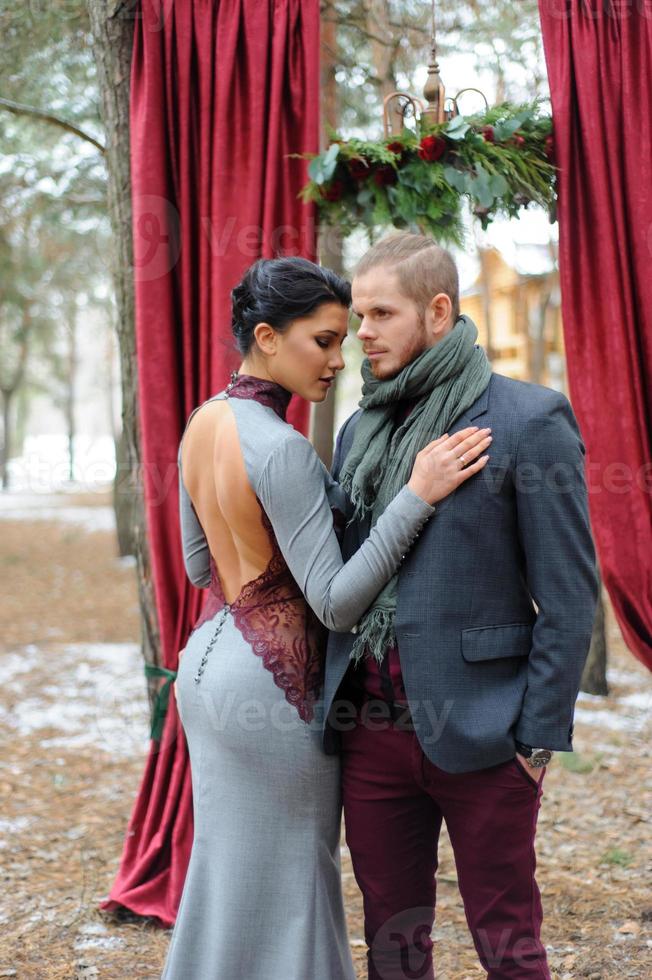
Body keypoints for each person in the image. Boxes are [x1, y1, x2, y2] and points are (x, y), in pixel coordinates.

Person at [161, 256, 492, 980]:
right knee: (295, 881)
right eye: (323, 341)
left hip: (204, 669)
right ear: (268, 338)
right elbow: (336, 601)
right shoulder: (281, 449)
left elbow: (195, 566)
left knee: (227, 872)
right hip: (274, 687)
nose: (340, 360)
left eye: (346, 340)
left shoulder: (201, 421)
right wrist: (417, 495)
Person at [323, 232, 599, 980]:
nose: (363, 332)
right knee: (393, 942)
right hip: (372, 731)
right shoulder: (358, 430)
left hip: (487, 733)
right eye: (358, 316)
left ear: (438, 311)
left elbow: (572, 599)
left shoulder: (528, 421)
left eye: (382, 313)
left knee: (507, 940)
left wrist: (533, 741)